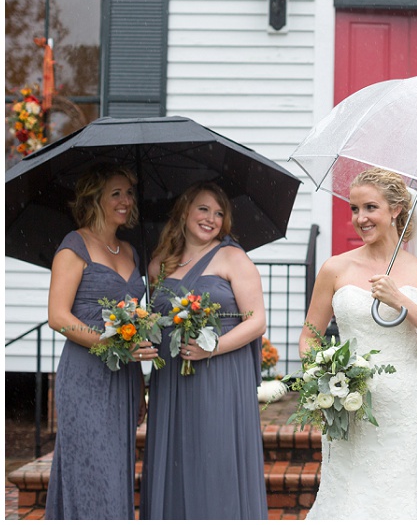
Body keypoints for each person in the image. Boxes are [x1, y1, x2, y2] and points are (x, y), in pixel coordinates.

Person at [301, 167, 417, 520]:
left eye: (370, 207)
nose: (360, 218)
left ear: (396, 210)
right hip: (347, 409)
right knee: (347, 501)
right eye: (354, 209)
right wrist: (323, 377)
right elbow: (308, 338)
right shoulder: (334, 269)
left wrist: (401, 303)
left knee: (401, 503)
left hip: (406, 410)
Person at [139, 182, 268, 519]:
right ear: (184, 211)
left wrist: (210, 349)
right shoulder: (158, 266)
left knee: (216, 455)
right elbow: (155, 321)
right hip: (171, 378)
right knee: (177, 455)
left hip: (219, 374)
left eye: (219, 213)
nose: (211, 218)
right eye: (203, 209)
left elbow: (256, 322)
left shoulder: (232, 256)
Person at [45, 164, 160, 519]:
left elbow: (133, 326)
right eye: (116, 193)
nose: (126, 201)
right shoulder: (73, 247)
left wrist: (139, 380)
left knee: (117, 471)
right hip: (86, 376)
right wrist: (114, 347)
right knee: (91, 470)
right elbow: (58, 318)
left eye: (128, 193)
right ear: (95, 198)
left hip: (124, 379)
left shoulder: (130, 250)